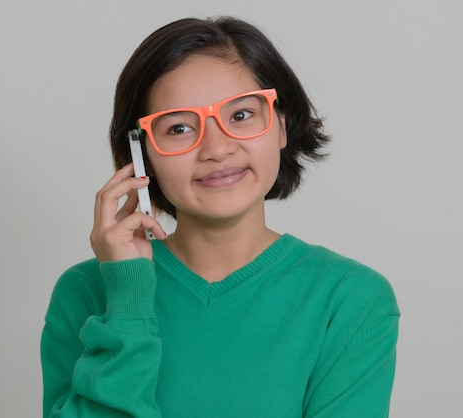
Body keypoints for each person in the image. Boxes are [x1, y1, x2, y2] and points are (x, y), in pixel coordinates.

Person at [41, 16, 399, 417]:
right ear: (142, 156)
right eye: (178, 128)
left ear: (281, 125)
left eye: (241, 116)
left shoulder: (350, 300)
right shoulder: (87, 292)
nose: (216, 148)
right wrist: (128, 302)